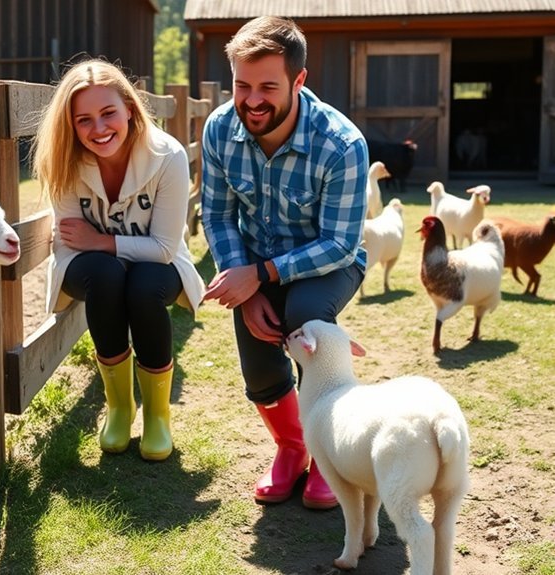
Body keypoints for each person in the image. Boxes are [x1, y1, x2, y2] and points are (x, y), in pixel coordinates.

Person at [200, 16, 368, 509]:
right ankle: (292, 448)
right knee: (258, 363)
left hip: (329, 261)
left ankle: (328, 455)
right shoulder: (218, 129)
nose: (252, 100)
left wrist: (263, 276)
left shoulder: (342, 144)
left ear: (299, 81)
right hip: (253, 259)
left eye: (268, 86)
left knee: (306, 321)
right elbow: (216, 212)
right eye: (241, 85)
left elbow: (339, 244)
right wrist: (246, 285)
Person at [33, 59, 205, 461]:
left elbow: (163, 248)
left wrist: (101, 239)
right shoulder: (63, 159)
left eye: (108, 113)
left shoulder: (168, 157)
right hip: (89, 265)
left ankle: (158, 417)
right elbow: (71, 239)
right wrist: (101, 246)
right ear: (71, 125)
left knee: (144, 285)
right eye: (84, 120)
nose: (99, 129)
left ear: (129, 106)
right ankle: (120, 409)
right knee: (107, 275)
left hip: (158, 266)